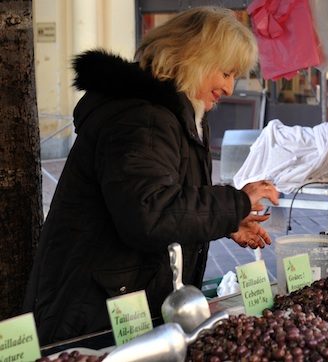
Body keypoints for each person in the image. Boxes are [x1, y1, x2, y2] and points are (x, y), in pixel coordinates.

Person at [23, 7, 279, 344]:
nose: (230, 88)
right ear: (194, 57)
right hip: (92, 311)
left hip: (117, 298)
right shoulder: (141, 117)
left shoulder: (174, 114)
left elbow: (165, 199)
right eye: (226, 72)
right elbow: (149, 213)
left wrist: (226, 220)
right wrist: (236, 201)